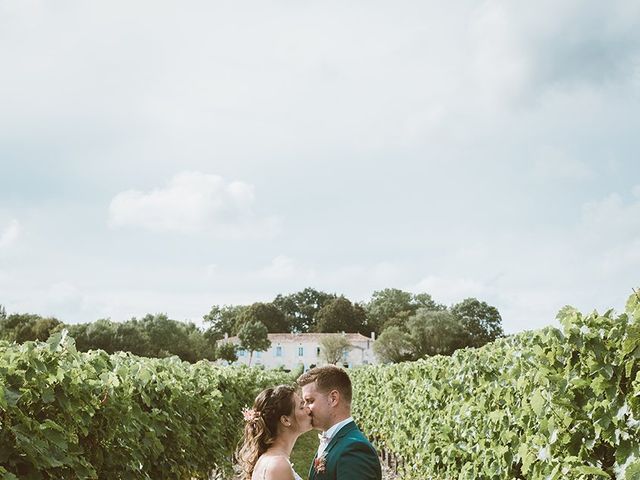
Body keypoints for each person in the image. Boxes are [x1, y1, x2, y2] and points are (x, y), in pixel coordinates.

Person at [297, 365, 382, 480]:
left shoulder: (354, 449)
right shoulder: (337, 440)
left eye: (310, 401)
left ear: (333, 398)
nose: (306, 409)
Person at [236, 384, 312, 480]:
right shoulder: (278, 465)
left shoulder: (271, 459)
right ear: (285, 420)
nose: (308, 410)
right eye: (301, 407)